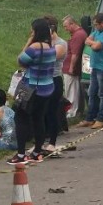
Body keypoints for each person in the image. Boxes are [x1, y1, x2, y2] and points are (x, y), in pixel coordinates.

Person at [9, 18, 57, 165]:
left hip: (31, 89)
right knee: (39, 119)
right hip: (47, 88)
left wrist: (29, 41)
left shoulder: (34, 47)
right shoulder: (51, 48)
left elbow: (20, 61)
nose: (31, 32)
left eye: (32, 30)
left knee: (20, 118)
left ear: (36, 31)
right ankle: (37, 152)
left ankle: (21, 154)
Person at [77, 12, 103, 129]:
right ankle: (90, 118)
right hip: (95, 66)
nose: (95, 27)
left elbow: (96, 47)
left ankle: (101, 118)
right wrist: (93, 43)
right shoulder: (98, 31)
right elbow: (87, 40)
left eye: (96, 25)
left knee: (102, 94)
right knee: (91, 93)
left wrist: (93, 43)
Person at [41, 15, 68, 152]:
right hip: (41, 80)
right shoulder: (42, 43)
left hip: (54, 79)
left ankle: (52, 141)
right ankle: (40, 141)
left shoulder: (60, 43)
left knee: (51, 111)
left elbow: (48, 57)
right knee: (40, 112)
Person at [61, 15, 87, 119]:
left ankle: (71, 111)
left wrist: (71, 67)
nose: (65, 29)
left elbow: (75, 54)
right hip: (69, 67)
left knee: (71, 90)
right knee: (73, 89)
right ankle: (75, 110)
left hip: (71, 69)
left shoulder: (78, 35)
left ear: (72, 24)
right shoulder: (78, 34)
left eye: (66, 26)